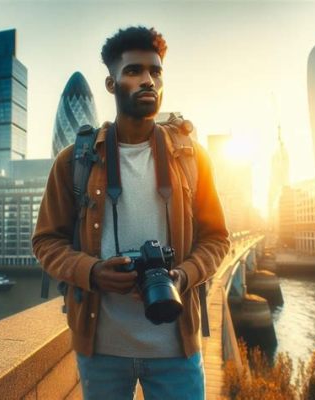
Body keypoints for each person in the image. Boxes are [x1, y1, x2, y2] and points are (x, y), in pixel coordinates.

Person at [32, 26, 229, 400]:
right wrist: (92, 272)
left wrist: (182, 277)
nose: (148, 81)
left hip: (177, 350)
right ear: (111, 84)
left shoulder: (192, 158)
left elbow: (217, 239)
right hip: (101, 349)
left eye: (155, 72)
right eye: (134, 71)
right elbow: (45, 241)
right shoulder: (74, 161)